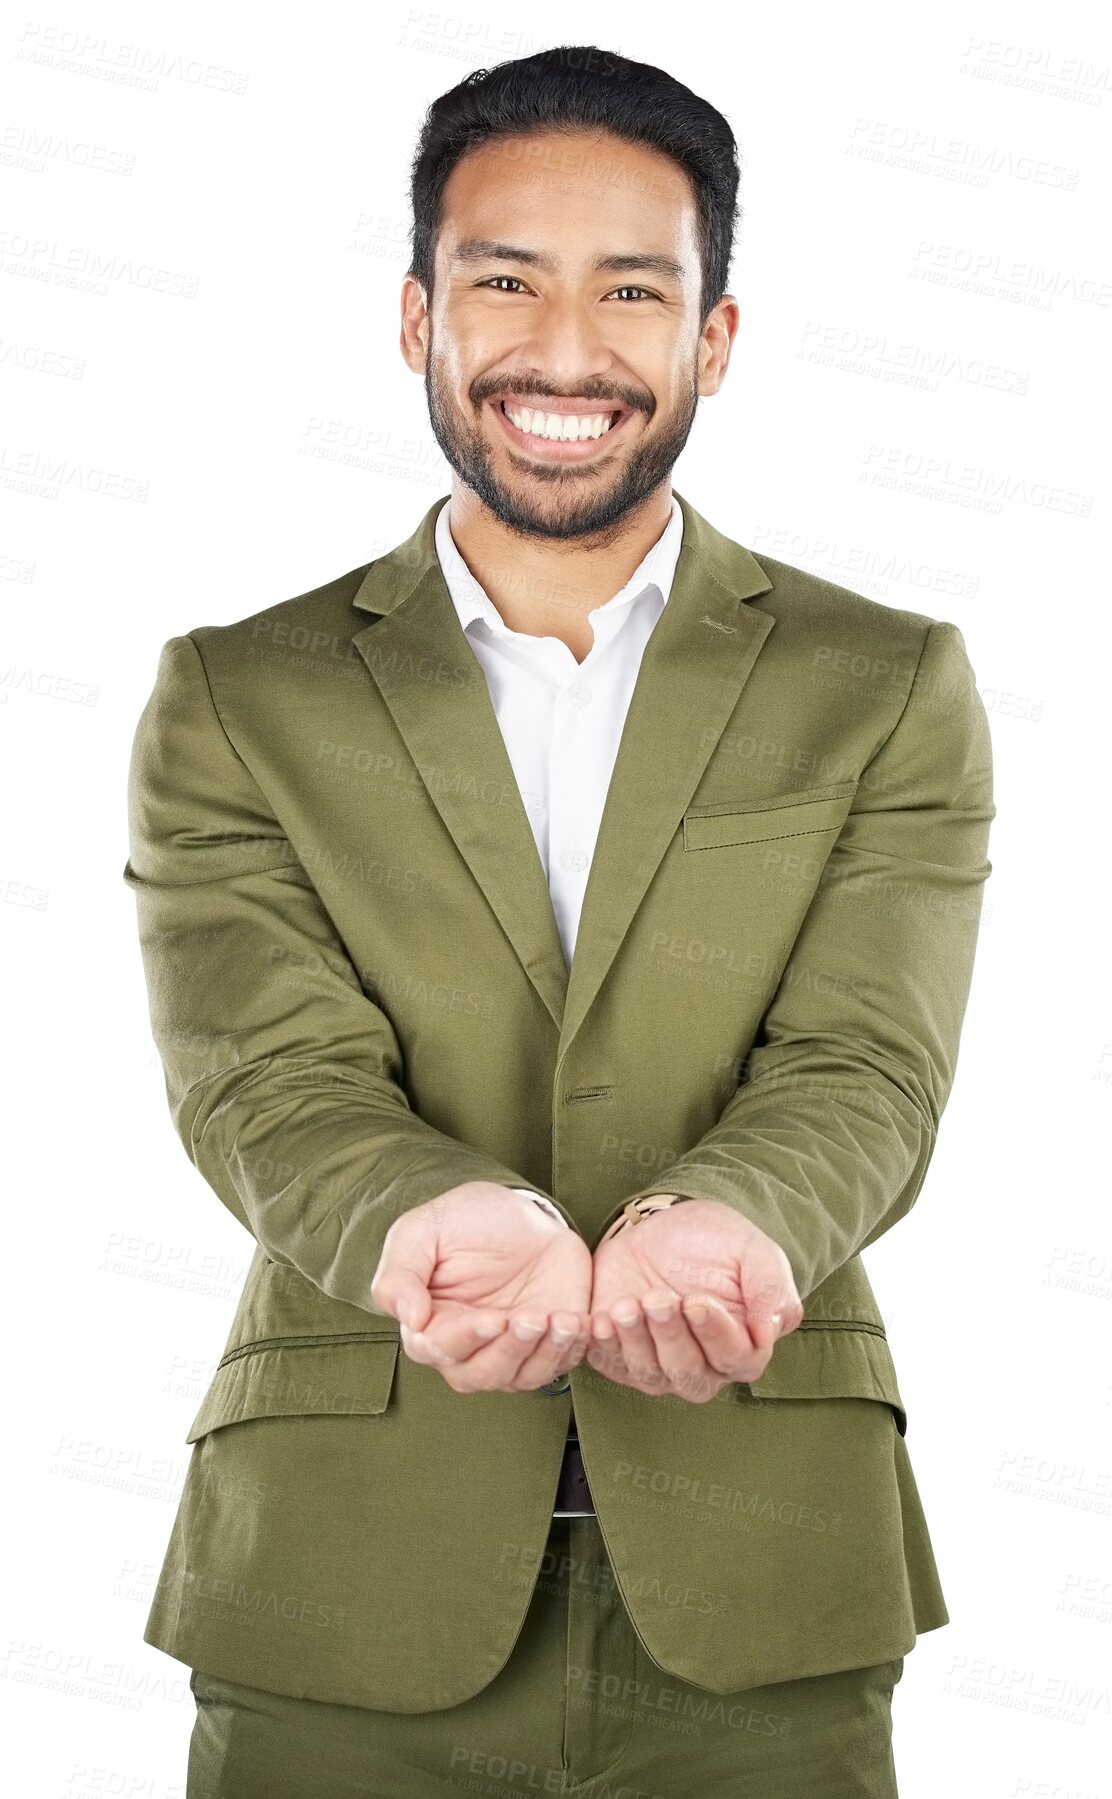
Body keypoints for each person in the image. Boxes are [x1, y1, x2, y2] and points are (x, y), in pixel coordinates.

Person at [123, 43, 995, 1797]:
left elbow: (869, 1065)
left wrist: (730, 1214)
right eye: (503, 282)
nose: (565, 354)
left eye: (633, 292)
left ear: (714, 341)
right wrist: (429, 1210)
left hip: (766, 1569)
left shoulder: (885, 683)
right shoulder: (239, 697)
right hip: (341, 1577)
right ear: (415, 318)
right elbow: (264, 1082)